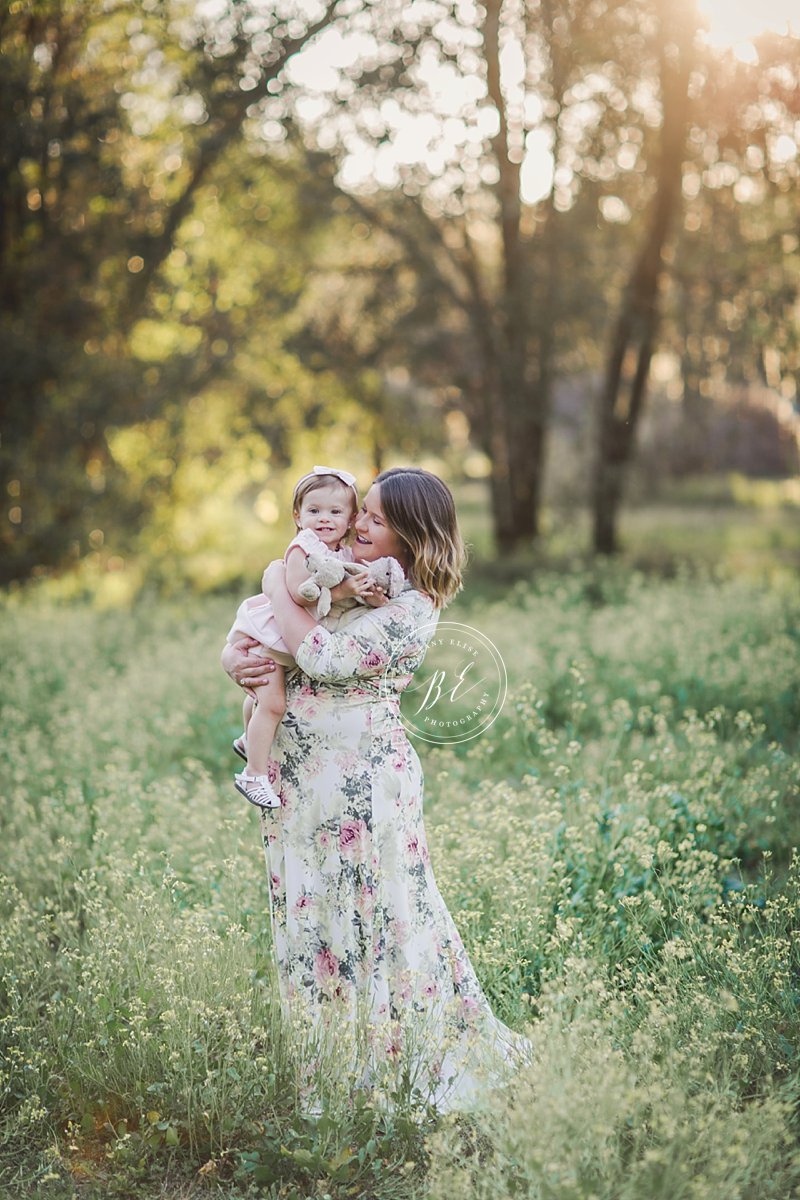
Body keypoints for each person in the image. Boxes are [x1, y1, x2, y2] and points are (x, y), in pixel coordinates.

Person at [221, 467, 532, 1112]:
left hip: (362, 780)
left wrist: (276, 580)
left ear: (413, 538)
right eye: (364, 511)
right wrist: (236, 660)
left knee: (379, 914)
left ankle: (391, 1072)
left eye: (378, 520)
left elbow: (322, 657)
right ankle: (332, 1073)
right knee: (316, 916)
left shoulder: (413, 607)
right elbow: (277, 646)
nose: (359, 523)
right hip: (300, 772)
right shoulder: (341, 574)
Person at [225, 465, 378, 809]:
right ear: (297, 515)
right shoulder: (303, 546)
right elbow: (296, 592)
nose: (324, 519)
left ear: (352, 518)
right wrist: (342, 592)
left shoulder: (343, 551)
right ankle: (254, 773)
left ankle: (249, 740)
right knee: (273, 702)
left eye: (335, 512)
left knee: (261, 699)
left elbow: (355, 578)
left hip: (286, 640)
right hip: (270, 635)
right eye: (314, 511)